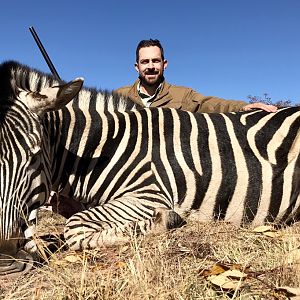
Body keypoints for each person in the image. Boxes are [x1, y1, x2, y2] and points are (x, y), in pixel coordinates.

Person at [114, 39, 277, 113]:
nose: (150, 66)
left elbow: (211, 104)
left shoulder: (183, 95)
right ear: (137, 67)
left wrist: (242, 106)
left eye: (155, 61)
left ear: (165, 64)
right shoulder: (119, 96)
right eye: (145, 62)